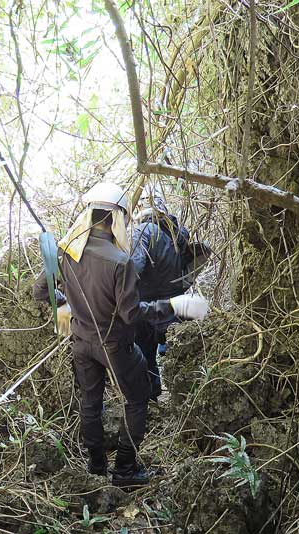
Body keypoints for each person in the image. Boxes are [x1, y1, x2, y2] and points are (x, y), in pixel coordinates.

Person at [33, 182, 208, 487]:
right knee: (137, 399)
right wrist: (174, 306)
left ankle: (96, 466)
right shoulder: (119, 261)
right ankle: (125, 470)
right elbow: (132, 314)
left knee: (91, 402)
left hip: (81, 341)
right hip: (115, 345)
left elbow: (41, 291)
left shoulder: (66, 250)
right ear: (117, 219)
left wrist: (69, 304)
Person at [130, 189, 208, 400]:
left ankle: (152, 396)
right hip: (173, 308)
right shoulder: (177, 236)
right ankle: (184, 400)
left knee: (145, 355)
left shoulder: (143, 231)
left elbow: (134, 269)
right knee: (177, 356)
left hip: (147, 309)